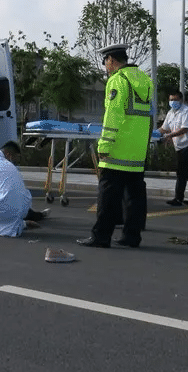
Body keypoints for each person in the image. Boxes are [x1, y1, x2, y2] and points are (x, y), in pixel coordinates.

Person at [76, 43, 154, 249]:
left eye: (105, 62)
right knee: (135, 196)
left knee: (108, 196)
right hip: (137, 151)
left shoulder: (118, 80)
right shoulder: (145, 80)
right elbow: (148, 117)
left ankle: (101, 237)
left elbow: (113, 116)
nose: (105, 67)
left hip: (117, 151)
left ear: (111, 60)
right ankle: (132, 237)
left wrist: (104, 146)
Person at [158, 89, 188, 206]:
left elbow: (185, 129)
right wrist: (155, 133)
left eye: (175, 99)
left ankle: (178, 199)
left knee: (181, 172)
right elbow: (164, 128)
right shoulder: (170, 113)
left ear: (181, 100)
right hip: (180, 147)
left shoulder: (187, 112)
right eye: (171, 100)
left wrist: (169, 135)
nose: (173, 102)